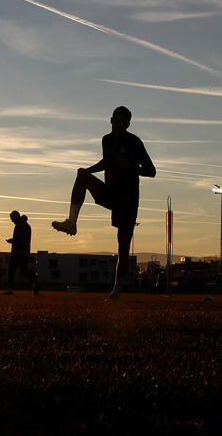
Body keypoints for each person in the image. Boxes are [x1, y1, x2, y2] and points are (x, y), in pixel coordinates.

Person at [52, 106, 155, 300]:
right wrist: (88, 171)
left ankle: (116, 291)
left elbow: (151, 170)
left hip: (128, 200)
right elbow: (107, 163)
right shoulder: (106, 140)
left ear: (129, 124)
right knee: (82, 174)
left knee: (123, 248)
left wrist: (132, 167)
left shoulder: (134, 142)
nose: (120, 125)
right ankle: (71, 222)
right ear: (111, 120)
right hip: (110, 192)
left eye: (124, 122)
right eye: (117, 121)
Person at [5, 210, 38, 296]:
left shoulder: (20, 226)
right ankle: (34, 283)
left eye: (12, 218)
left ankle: (10, 289)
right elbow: (22, 239)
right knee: (23, 271)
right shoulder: (25, 225)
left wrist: (12, 241)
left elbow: (20, 239)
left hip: (18, 252)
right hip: (24, 252)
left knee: (12, 270)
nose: (11, 220)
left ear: (15, 217)